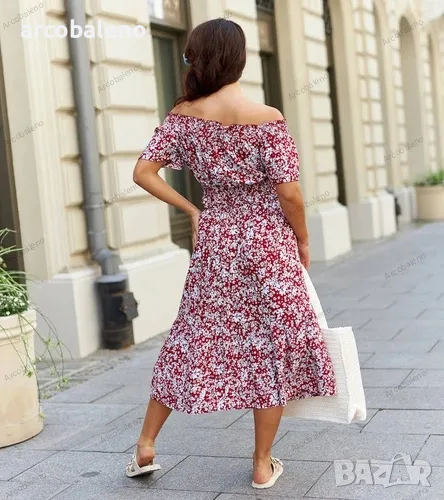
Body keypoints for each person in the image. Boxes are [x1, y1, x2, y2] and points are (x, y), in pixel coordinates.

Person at [127, 18, 336, 490]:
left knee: (193, 335)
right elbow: (289, 194)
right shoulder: (268, 118)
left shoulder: (184, 115)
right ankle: (262, 464)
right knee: (273, 343)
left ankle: (146, 444)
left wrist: (193, 209)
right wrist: (302, 238)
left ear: (197, 58)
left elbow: (142, 172)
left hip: (216, 242)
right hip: (267, 243)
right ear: (239, 59)